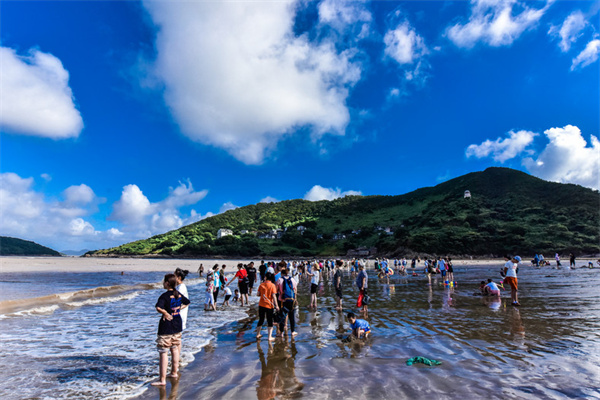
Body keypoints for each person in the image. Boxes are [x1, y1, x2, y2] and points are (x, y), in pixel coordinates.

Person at [151, 274, 190, 386]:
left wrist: (166, 313)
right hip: (177, 325)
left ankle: (162, 380)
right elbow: (187, 302)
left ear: (167, 283)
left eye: (164, 281)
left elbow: (158, 307)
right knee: (174, 349)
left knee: (163, 352)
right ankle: (174, 372)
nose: (163, 283)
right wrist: (178, 309)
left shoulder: (164, 296)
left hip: (166, 327)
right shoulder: (177, 294)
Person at [256, 272, 280, 341]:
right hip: (269, 305)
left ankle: (258, 334)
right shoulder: (272, 285)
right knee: (270, 320)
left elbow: (258, 294)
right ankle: (269, 337)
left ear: (266, 277)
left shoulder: (261, 285)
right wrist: (277, 306)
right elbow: (274, 296)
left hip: (261, 305)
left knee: (261, 319)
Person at [276, 268, 297, 337]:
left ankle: (281, 333)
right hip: (291, 300)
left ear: (282, 273)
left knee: (282, 316)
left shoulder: (280, 280)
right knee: (291, 316)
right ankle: (292, 331)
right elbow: (295, 290)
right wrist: (295, 299)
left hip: (282, 300)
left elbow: (276, 290)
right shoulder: (292, 279)